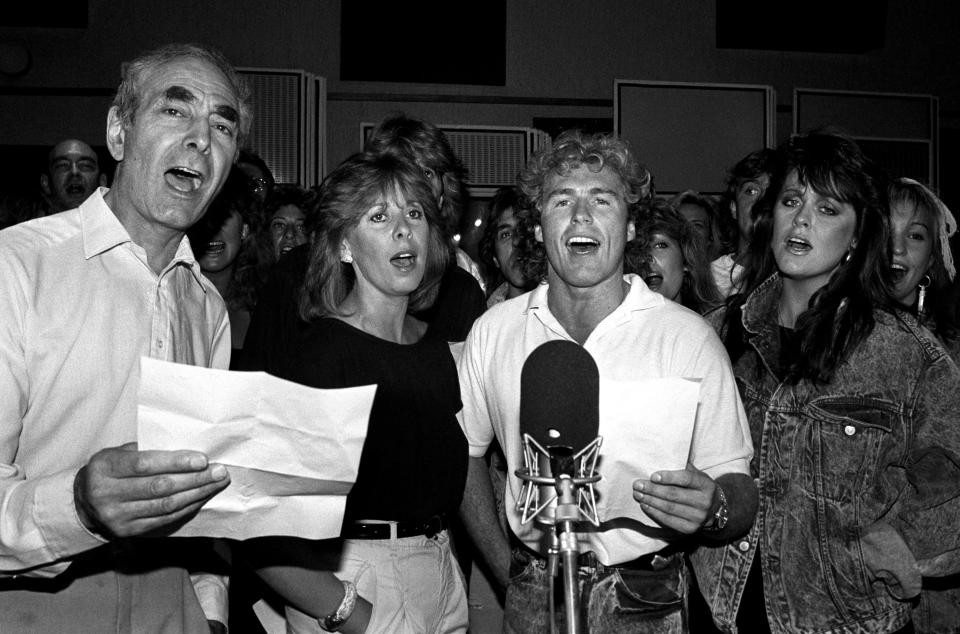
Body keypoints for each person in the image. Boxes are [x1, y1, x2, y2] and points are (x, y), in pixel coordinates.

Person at [458, 130, 757, 633]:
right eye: (562, 200)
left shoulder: (686, 337)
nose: (581, 215)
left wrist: (714, 508)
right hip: (534, 585)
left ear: (631, 225)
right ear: (537, 228)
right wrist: (504, 567)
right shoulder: (495, 330)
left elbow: (739, 487)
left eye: (602, 199)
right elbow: (462, 454)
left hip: (647, 596)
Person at [0, 42, 251, 632]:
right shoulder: (18, 269)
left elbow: (201, 500)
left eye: (222, 124)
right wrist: (80, 505)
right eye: (175, 110)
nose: (201, 139)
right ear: (118, 133)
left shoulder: (206, 308)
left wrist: (209, 610)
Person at [694, 130, 960, 633]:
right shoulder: (719, 334)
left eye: (828, 208)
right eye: (792, 201)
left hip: (843, 619)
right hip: (722, 611)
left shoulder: (904, 352)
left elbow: (951, 476)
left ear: (858, 236)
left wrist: (898, 548)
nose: (801, 219)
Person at [241, 152, 468, 634]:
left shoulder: (432, 348)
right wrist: (353, 614)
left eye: (415, 213)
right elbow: (260, 534)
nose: (404, 230)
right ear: (345, 247)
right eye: (379, 217)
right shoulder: (324, 354)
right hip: (359, 581)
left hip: (441, 572)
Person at [189, 166, 263, 365]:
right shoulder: (169, 297)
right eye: (206, 213)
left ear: (244, 230)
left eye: (225, 215)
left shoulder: (264, 306)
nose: (214, 226)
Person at [888, 177, 958, 359]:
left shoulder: (951, 348)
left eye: (915, 236)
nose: (897, 248)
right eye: (885, 232)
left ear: (931, 259)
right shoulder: (829, 330)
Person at [625, 196, 722, 313]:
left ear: (686, 259)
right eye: (638, 248)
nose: (648, 257)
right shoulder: (615, 328)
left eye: (660, 246)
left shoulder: (712, 325)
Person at [710, 148, 776, 297]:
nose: (761, 201)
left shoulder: (795, 276)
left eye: (771, 192)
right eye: (751, 191)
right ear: (734, 208)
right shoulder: (709, 280)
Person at [478, 185, 536, 307]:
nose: (516, 241)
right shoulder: (485, 322)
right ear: (495, 258)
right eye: (506, 235)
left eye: (524, 229)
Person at [39, 138, 106, 214]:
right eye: (63, 165)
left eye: (85, 165)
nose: (74, 172)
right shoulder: (30, 226)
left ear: (102, 182)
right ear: (46, 183)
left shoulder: (117, 225)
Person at [670, 189, 720, 260]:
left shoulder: (724, 269)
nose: (687, 229)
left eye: (696, 225)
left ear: (711, 236)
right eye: (680, 223)